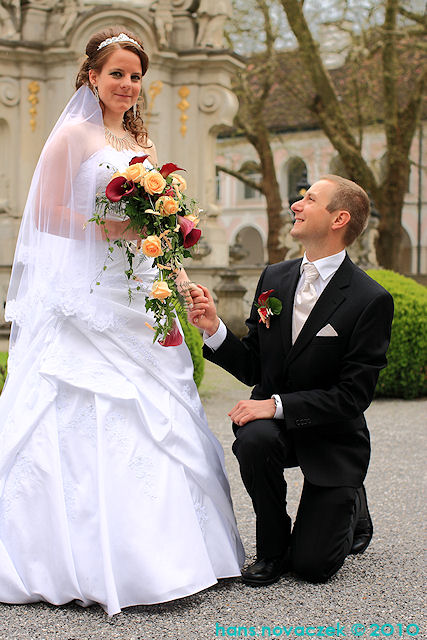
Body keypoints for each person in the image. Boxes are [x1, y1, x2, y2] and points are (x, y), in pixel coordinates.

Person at [0, 27, 244, 616]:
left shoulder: (138, 138)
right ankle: (64, 557)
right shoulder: (73, 136)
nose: (128, 85)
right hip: (88, 297)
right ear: (92, 76)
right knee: (78, 407)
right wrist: (108, 226)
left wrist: (177, 273)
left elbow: (155, 228)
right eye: (117, 74)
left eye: (135, 77)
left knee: (160, 409)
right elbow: (47, 217)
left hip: (139, 290)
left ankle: (178, 553)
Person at [189, 175, 394, 586]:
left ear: (339, 218)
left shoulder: (370, 300)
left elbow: (353, 397)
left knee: (313, 568)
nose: (296, 205)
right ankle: (272, 546)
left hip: (332, 436)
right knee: (255, 437)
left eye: (309, 199)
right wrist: (214, 329)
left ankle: (352, 500)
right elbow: (254, 367)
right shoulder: (274, 278)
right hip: (276, 431)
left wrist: (276, 405)